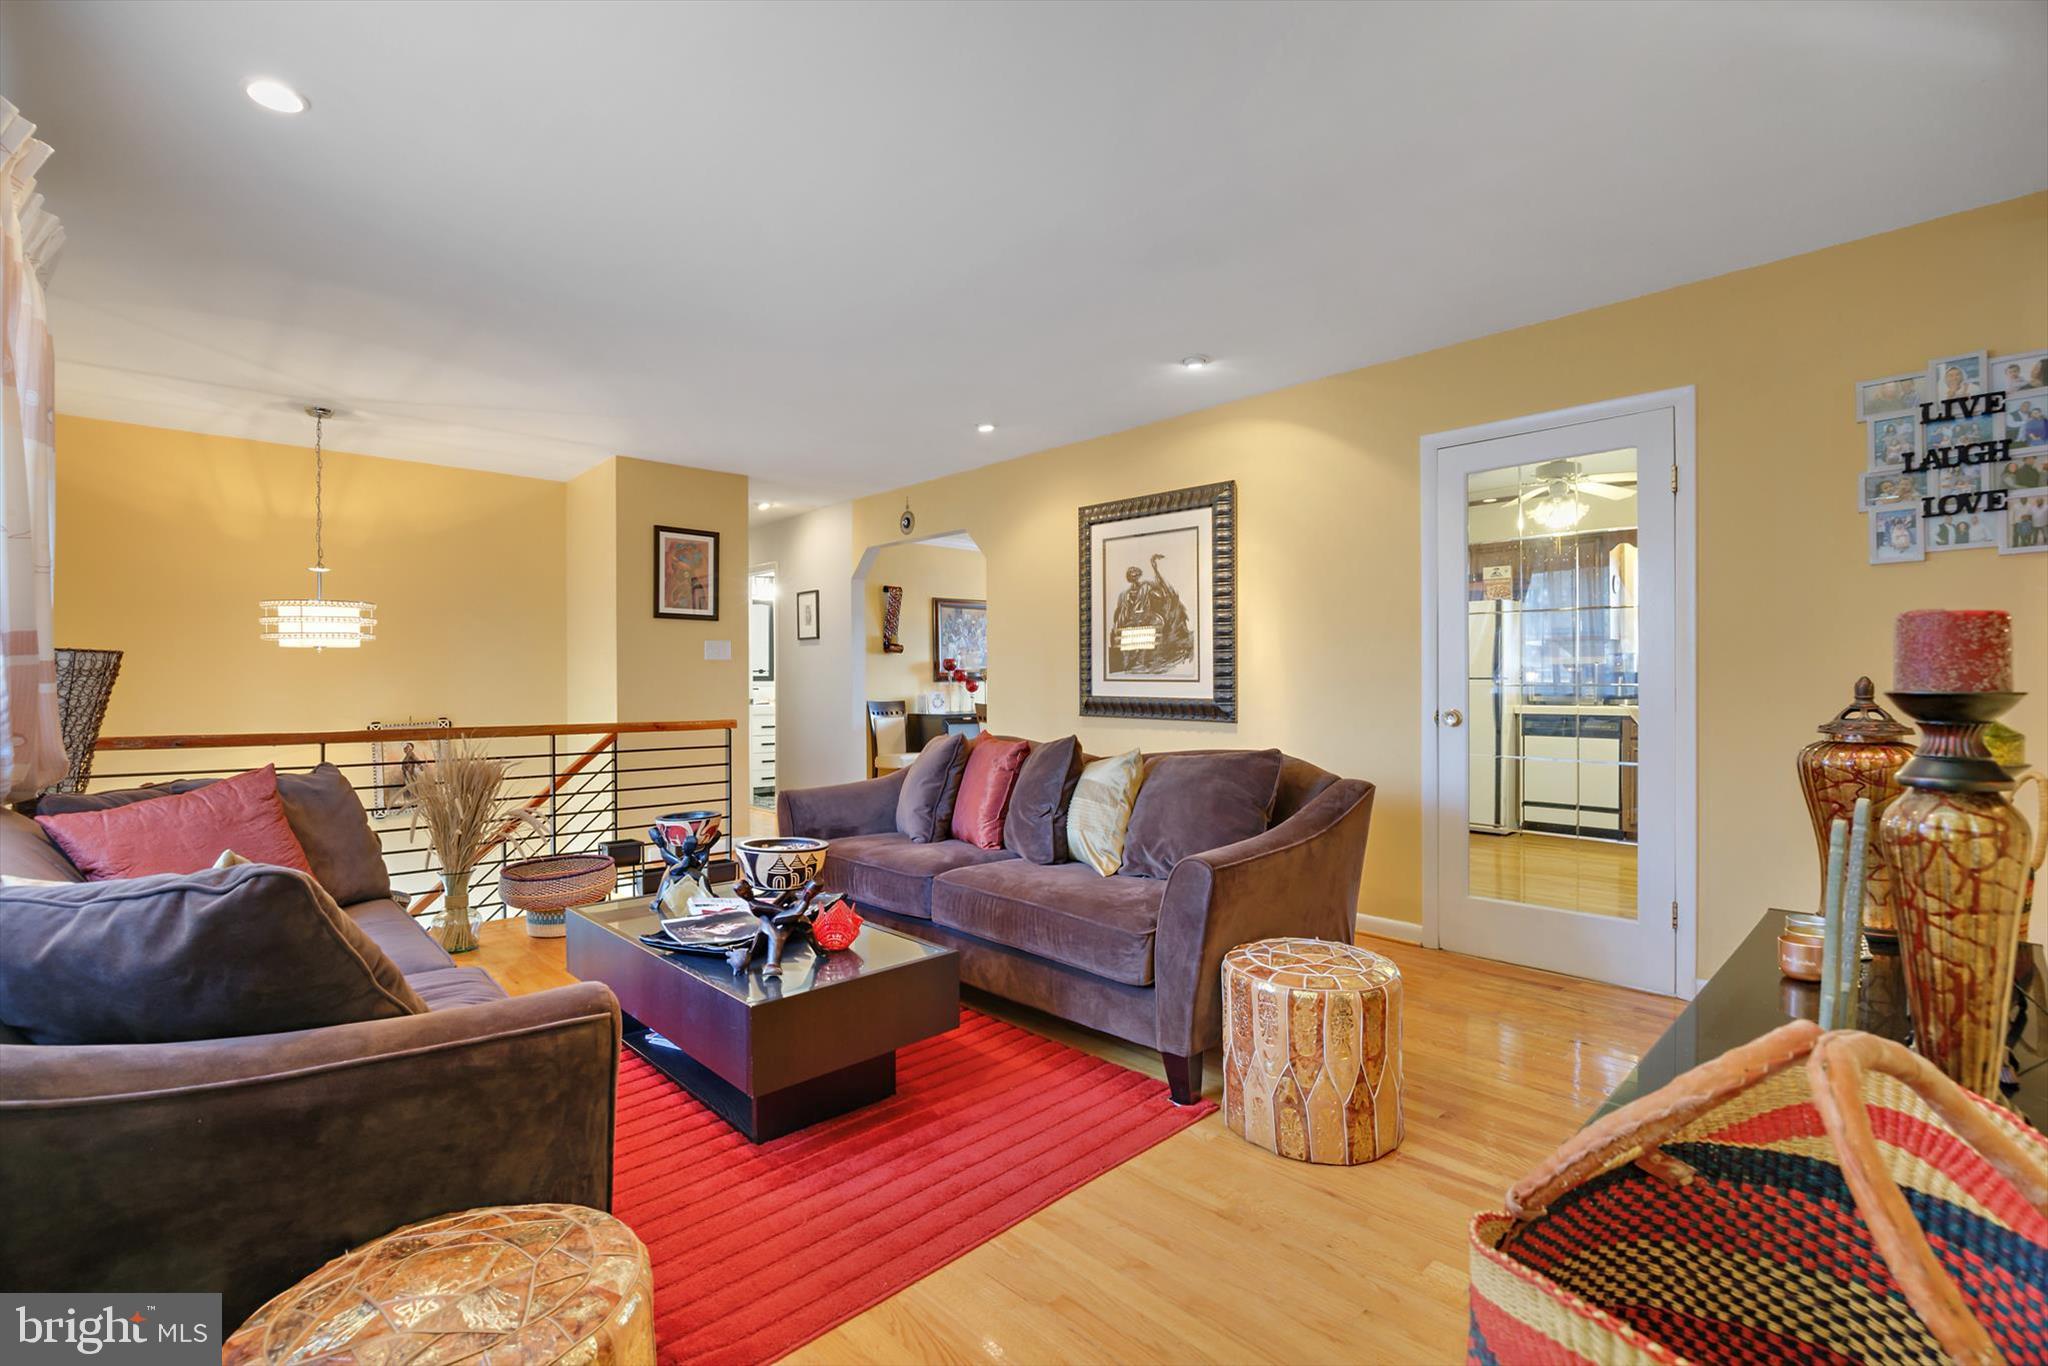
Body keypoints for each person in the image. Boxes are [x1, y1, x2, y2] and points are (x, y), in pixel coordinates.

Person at [1108, 554, 1194, 675]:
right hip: (1135, 623)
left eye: (1135, 574)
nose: (1134, 577)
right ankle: (1134, 660)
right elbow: (1121, 614)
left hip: (1142, 621)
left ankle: (1139, 659)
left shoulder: (1144, 588)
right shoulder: (1127, 594)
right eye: (1132, 575)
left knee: (1156, 625)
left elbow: (1162, 593)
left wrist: (1155, 569)